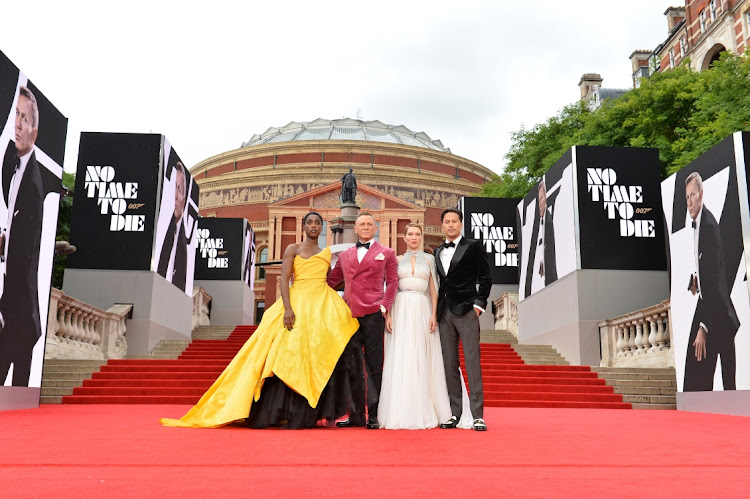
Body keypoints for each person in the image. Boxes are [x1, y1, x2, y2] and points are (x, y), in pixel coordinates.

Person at [161, 212, 363, 428]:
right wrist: (287, 308)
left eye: (317, 223)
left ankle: (313, 410)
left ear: (322, 227)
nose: (313, 226)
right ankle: (279, 409)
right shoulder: (292, 249)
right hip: (297, 303)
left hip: (322, 305)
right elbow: (284, 280)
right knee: (285, 355)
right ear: (303, 226)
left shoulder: (325, 253)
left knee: (322, 352)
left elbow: (330, 280)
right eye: (309, 223)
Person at [379, 223, 473, 429]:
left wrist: (433, 315)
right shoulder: (396, 260)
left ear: (421, 237)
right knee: (403, 356)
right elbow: (391, 288)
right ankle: (402, 410)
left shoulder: (431, 259)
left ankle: (430, 406)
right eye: (410, 234)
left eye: (417, 234)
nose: (414, 238)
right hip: (401, 309)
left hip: (422, 309)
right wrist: (388, 315)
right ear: (404, 238)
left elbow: (433, 290)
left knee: (424, 354)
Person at [327, 212, 398, 429]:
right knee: (351, 366)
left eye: (369, 224)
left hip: (373, 315)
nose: (366, 227)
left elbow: (393, 282)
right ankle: (356, 415)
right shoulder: (346, 255)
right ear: (355, 229)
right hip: (349, 316)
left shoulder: (386, 253)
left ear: (375, 228)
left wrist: (384, 305)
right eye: (362, 224)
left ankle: (374, 414)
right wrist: (304, 276)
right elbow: (331, 281)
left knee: (375, 365)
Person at [0, 86, 44, 387]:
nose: (17, 123)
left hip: (18, 313)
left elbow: (24, 260)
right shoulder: (14, 166)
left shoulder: (33, 186)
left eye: (24, 118)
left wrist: (3, 311)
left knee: (14, 393)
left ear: (34, 132)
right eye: (16, 114)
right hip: (16, 312)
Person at [434, 208, 492, 431]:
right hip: (445, 312)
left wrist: (479, 305)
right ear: (442, 226)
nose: (450, 225)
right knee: (449, 364)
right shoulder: (438, 250)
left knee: (472, 362)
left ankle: (478, 415)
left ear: (460, 224)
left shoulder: (473, 246)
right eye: (447, 222)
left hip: (467, 310)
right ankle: (455, 413)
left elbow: (485, 278)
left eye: (454, 221)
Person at [683, 172, 739, 391]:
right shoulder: (697, 224)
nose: (689, 202)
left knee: (729, 384)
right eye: (686, 197)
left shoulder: (708, 227)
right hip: (710, 309)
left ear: (701, 194)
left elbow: (715, 282)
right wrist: (696, 280)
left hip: (719, 317)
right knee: (701, 377)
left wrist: (703, 327)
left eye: (692, 195)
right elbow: (707, 268)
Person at [157, 161, 189, 291]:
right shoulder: (160, 232)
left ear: (184, 198)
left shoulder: (184, 243)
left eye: (179, 190)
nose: (176, 196)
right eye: (174, 188)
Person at [524, 178, 557, 297]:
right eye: (539, 200)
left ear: (546, 199)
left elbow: (550, 252)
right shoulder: (539, 223)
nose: (540, 203)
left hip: (549, 280)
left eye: (542, 198)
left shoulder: (548, 221)